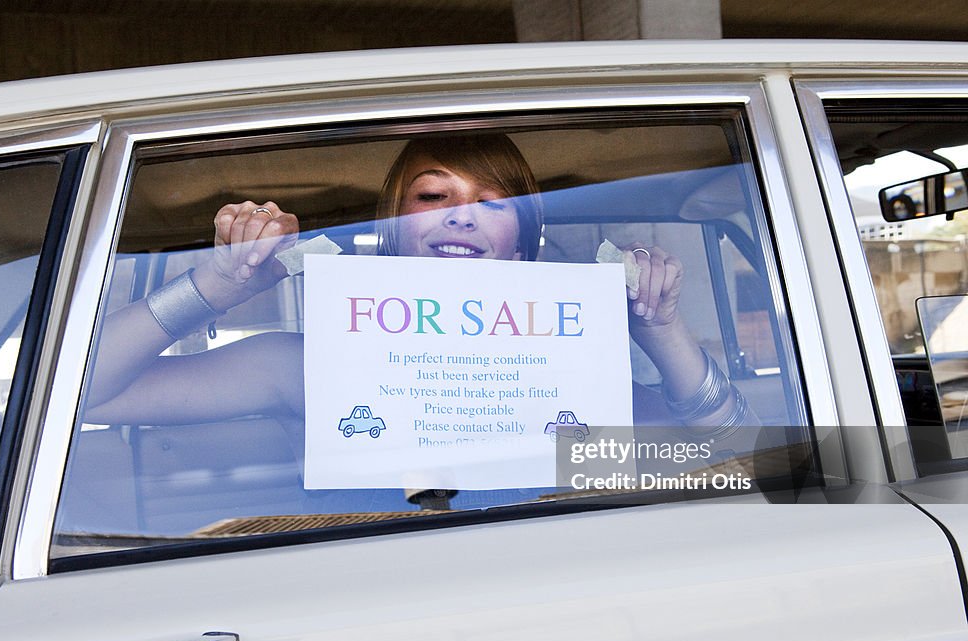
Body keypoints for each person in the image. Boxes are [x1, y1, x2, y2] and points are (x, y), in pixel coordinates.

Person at [85, 134, 751, 439]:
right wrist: (210, 288)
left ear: (520, 245)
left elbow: (735, 453)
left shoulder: (573, 370)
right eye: (434, 197)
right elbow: (92, 396)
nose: (461, 215)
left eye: (493, 205)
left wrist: (662, 330)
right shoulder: (310, 367)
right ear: (396, 229)